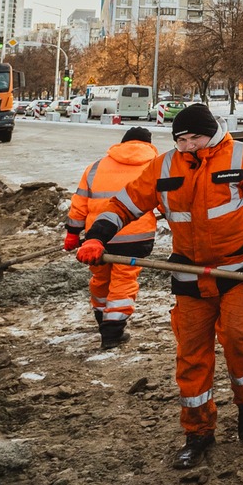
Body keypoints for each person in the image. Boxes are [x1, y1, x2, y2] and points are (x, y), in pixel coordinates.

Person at [85, 103, 243, 469]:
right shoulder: (164, 165)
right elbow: (125, 203)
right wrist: (98, 236)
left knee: (241, 340)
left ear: (213, 132)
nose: (189, 145)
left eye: (196, 137)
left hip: (237, 272)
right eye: (182, 139)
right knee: (191, 357)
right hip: (189, 276)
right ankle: (198, 434)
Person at [64, 126, 161, 349]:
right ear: (148, 144)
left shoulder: (96, 167)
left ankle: (101, 317)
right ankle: (112, 332)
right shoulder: (154, 166)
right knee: (124, 281)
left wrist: (72, 233)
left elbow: (79, 203)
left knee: (100, 279)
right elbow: (166, 201)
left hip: (97, 239)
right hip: (136, 237)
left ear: (122, 143)